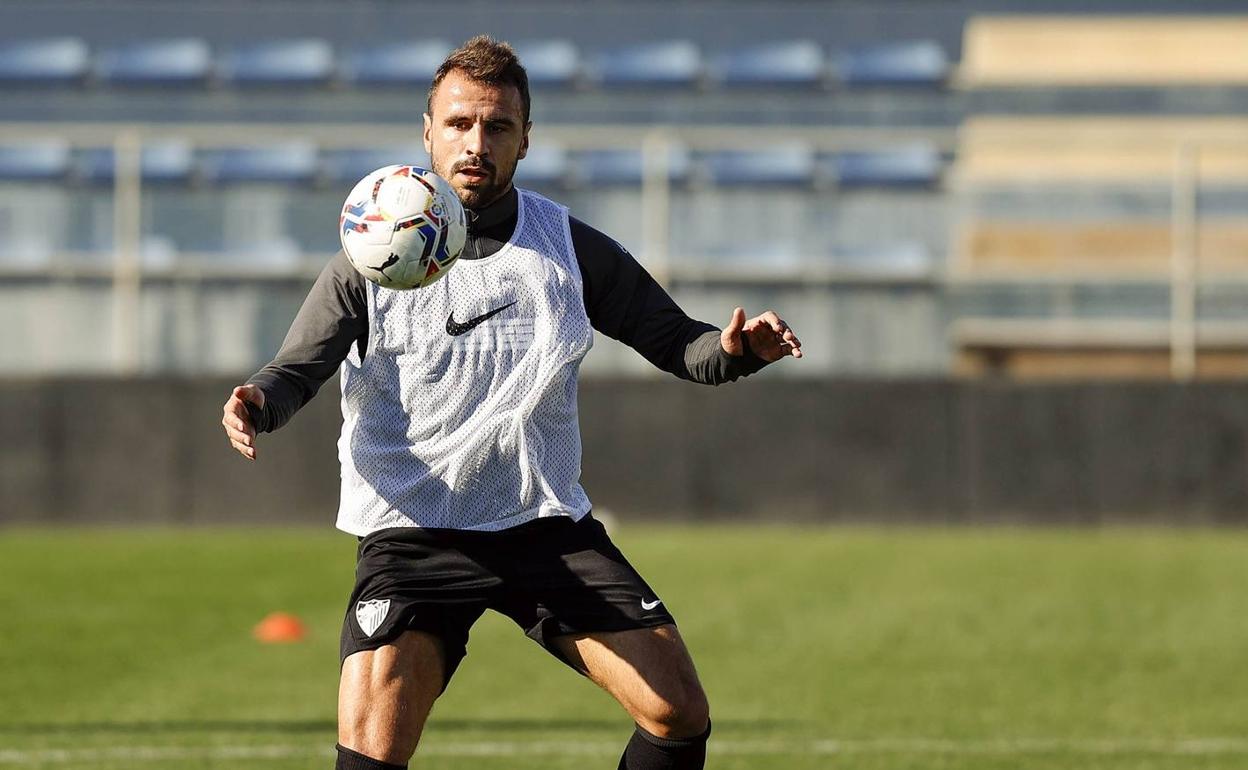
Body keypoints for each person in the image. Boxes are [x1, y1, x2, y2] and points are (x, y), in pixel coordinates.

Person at [221, 35, 802, 770]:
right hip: (413, 537)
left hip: (541, 525)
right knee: (370, 755)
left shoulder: (566, 248)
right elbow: (297, 367)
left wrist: (735, 352)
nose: (476, 142)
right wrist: (257, 403)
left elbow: (676, 341)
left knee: (677, 715)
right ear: (427, 131)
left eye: (497, 127)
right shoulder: (371, 250)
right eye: (459, 123)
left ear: (526, 140)